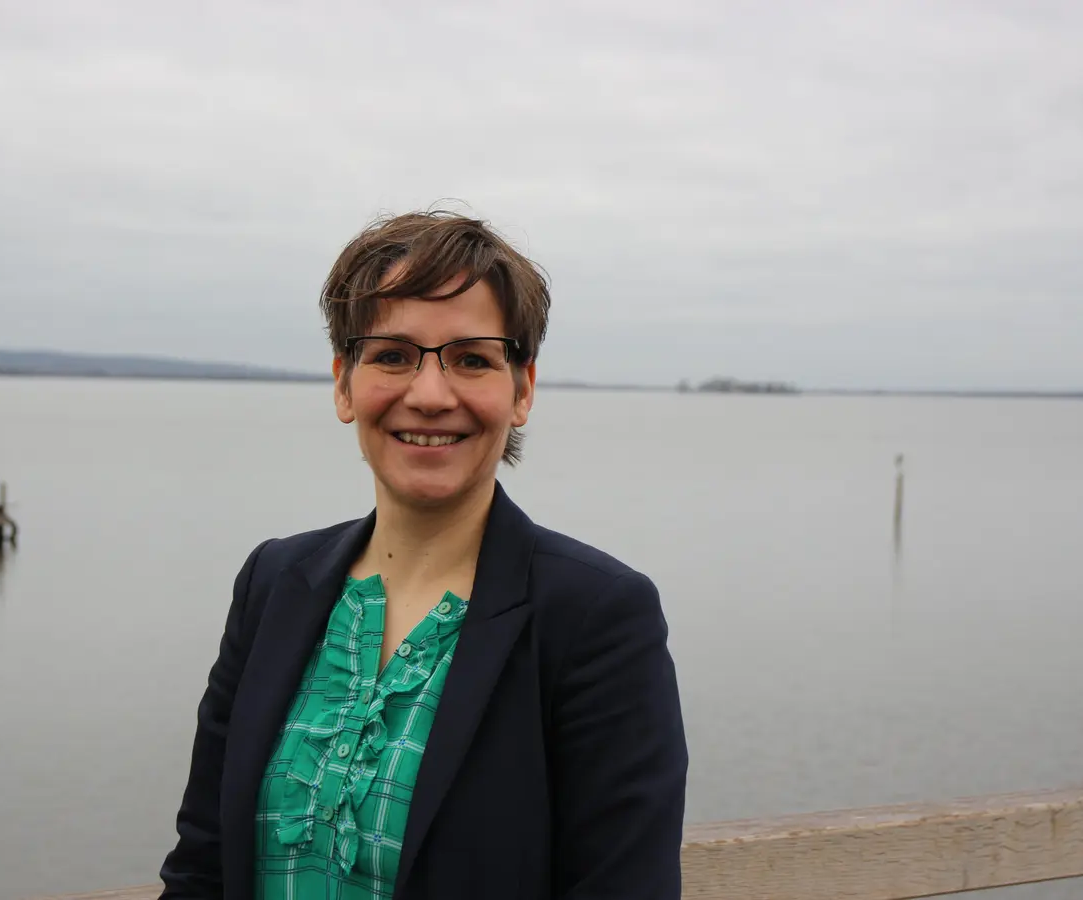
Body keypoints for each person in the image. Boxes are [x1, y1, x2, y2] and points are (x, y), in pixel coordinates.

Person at [158, 210, 688, 899]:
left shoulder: (595, 617)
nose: (430, 395)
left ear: (522, 389)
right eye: (392, 355)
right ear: (344, 383)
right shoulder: (274, 584)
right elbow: (202, 865)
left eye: (472, 359)